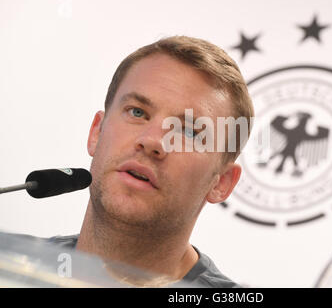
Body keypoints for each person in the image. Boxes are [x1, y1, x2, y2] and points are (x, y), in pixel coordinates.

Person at [44, 36, 254, 287]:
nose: (153, 141)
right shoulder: (12, 265)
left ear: (221, 183)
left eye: (187, 132)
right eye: (137, 112)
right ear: (96, 132)